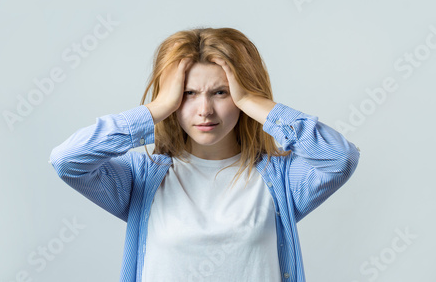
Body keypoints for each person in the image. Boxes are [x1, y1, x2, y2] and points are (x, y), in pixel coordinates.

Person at [49, 27, 361, 282]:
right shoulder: (141, 177)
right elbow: (68, 160)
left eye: (220, 92)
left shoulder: (281, 179)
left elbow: (340, 158)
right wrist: (156, 109)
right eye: (188, 93)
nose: (205, 110)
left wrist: (253, 102)